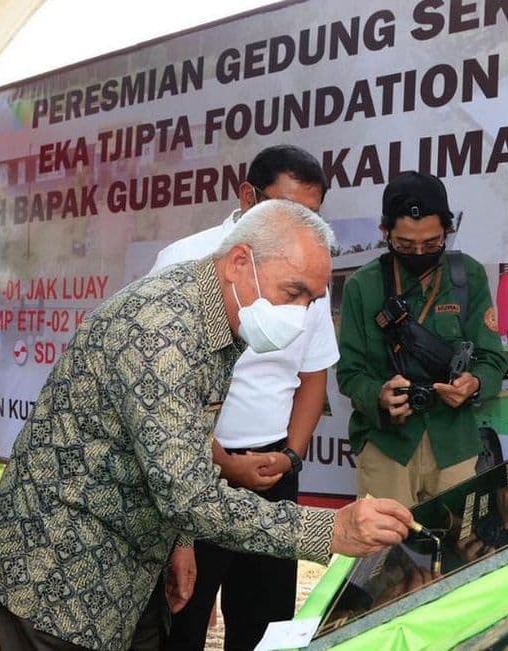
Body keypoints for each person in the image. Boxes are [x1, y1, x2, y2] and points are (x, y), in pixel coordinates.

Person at [0, 200, 412, 651]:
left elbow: (180, 443)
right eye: (292, 292)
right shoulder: (162, 330)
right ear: (240, 262)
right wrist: (330, 531)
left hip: (125, 562)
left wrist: (180, 543)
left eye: (311, 301)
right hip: (58, 570)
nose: (298, 315)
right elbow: (189, 494)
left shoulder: (214, 312)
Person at [149, 145, 337, 651]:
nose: (299, 227)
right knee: (182, 616)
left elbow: (313, 376)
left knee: (264, 623)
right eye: (284, 210)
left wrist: (290, 456)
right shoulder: (187, 260)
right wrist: (224, 464)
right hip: (192, 467)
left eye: (310, 216)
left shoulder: (309, 267)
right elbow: (164, 395)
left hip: (273, 466)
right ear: (247, 196)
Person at [337, 171, 508, 507]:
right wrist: (380, 395)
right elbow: (350, 374)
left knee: (462, 550)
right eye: (404, 244)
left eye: (431, 244)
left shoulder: (468, 276)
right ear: (385, 232)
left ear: (446, 230)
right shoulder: (362, 286)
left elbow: (493, 359)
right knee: (384, 551)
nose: (418, 252)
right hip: (388, 446)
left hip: (455, 443)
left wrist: (473, 384)